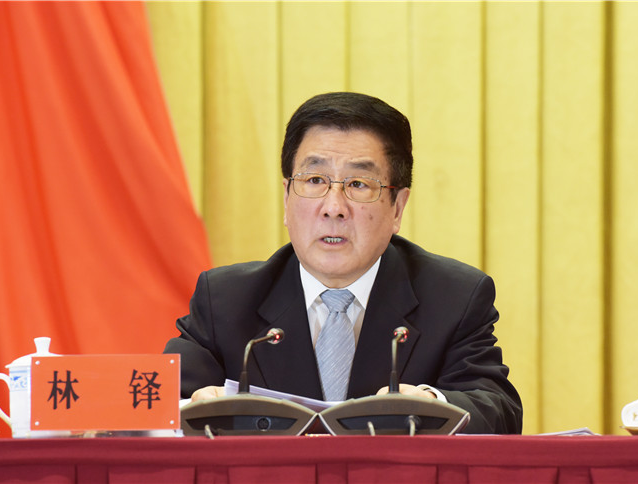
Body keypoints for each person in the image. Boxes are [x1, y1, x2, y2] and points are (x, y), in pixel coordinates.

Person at [164, 92, 523, 434]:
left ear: (397, 208)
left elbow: (498, 411)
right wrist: (190, 408)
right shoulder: (224, 300)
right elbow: (155, 406)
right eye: (315, 180)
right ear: (287, 199)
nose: (333, 207)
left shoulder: (453, 298)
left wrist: (432, 406)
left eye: (359, 184)